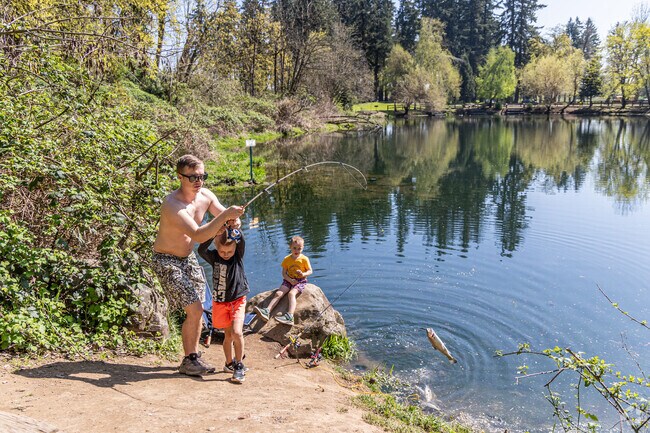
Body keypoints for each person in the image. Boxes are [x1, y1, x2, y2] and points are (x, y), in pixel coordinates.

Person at [151, 154, 244, 377]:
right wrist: (225, 217)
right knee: (194, 310)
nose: (198, 181)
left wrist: (233, 220)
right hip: (165, 259)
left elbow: (222, 215)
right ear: (180, 177)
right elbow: (199, 234)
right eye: (193, 177)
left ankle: (191, 355)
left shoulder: (206, 195)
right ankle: (190, 359)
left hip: (187, 257)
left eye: (202, 176)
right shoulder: (173, 205)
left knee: (199, 308)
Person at [198, 229, 249, 383]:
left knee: (237, 333)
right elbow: (201, 249)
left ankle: (239, 365)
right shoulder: (214, 257)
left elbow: (241, 240)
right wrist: (215, 233)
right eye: (222, 251)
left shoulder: (237, 256)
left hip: (237, 300)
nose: (226, 254)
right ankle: (229, 363)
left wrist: (235, 228)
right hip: (220, 302)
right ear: (217, 247)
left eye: (229, 251)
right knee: (227, 336)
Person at [254, 236, 312, 326]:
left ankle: (289, 316)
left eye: (299, 248)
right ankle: (267, 311)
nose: (296, 250)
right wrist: (289, 280)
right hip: (289, 279)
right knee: (278, 293)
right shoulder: (287, 259)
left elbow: (310, 271)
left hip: (300, 281)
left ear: (303, 248)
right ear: (290, 247)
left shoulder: (304, 259)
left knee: (291, 294)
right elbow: (284, 273)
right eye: (294, 248)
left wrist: (303, 274)